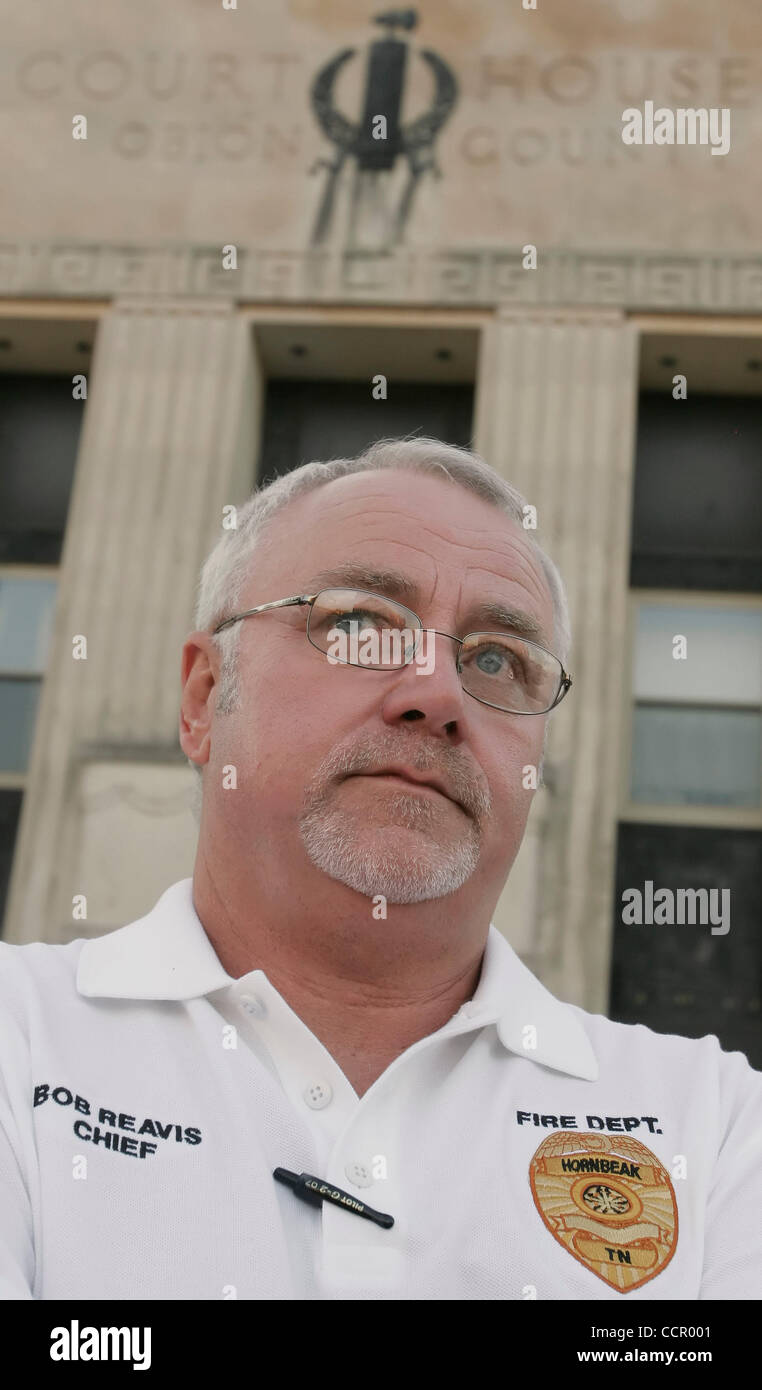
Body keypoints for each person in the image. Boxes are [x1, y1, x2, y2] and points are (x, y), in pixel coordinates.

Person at [1, 436, 760, 1300]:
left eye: (495, 660)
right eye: (357, 626)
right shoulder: (18, 1043)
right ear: (206, 698)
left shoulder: (718, 1126)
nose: (436, 693)